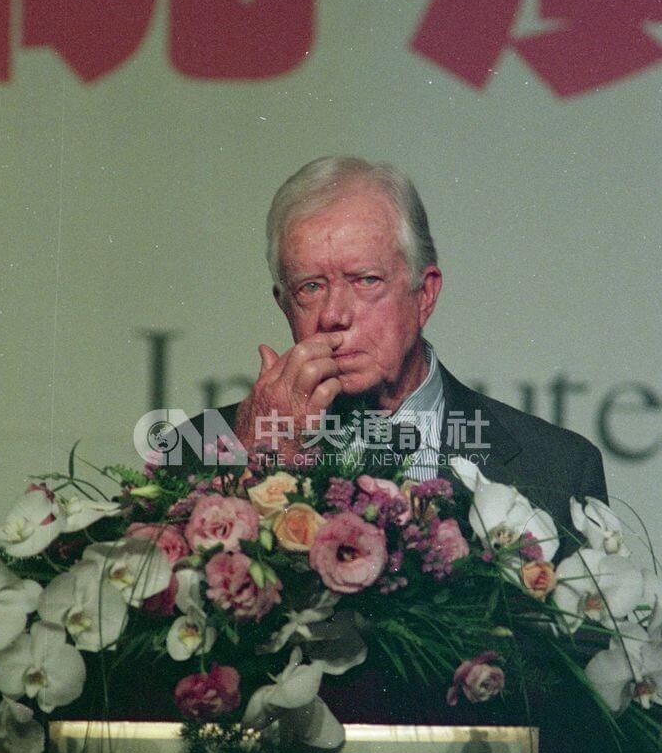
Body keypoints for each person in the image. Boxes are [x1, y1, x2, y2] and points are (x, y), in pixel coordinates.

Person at [229, 156, 607, 532]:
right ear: (284, 304)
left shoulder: (559, 470)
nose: (333, 315)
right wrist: (255, 466)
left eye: (365, 280)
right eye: (310, 287)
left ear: (424, 294)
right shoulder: (198, 450)